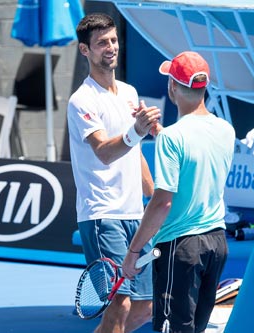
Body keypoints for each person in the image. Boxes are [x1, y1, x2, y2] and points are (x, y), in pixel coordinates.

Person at [122, 51, 236, 333]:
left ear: (172, 86)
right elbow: (194, 148)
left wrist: (134, 251)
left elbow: (162, 203)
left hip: (181, 249)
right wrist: (159, 132)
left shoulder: (173, 138)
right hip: (216, 244)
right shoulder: (225, 130)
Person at [67, 13, 162, 333]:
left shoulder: (130, 93)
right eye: (101, 43)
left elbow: (133, 153)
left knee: (145, 306)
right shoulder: (81, 100)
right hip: (102, 213)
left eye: (113, 40)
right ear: (85, 51)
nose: (110, 48)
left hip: (135, 214)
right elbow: (105, 152)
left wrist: (154, 195)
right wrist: (137, 131)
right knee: (119, 302)